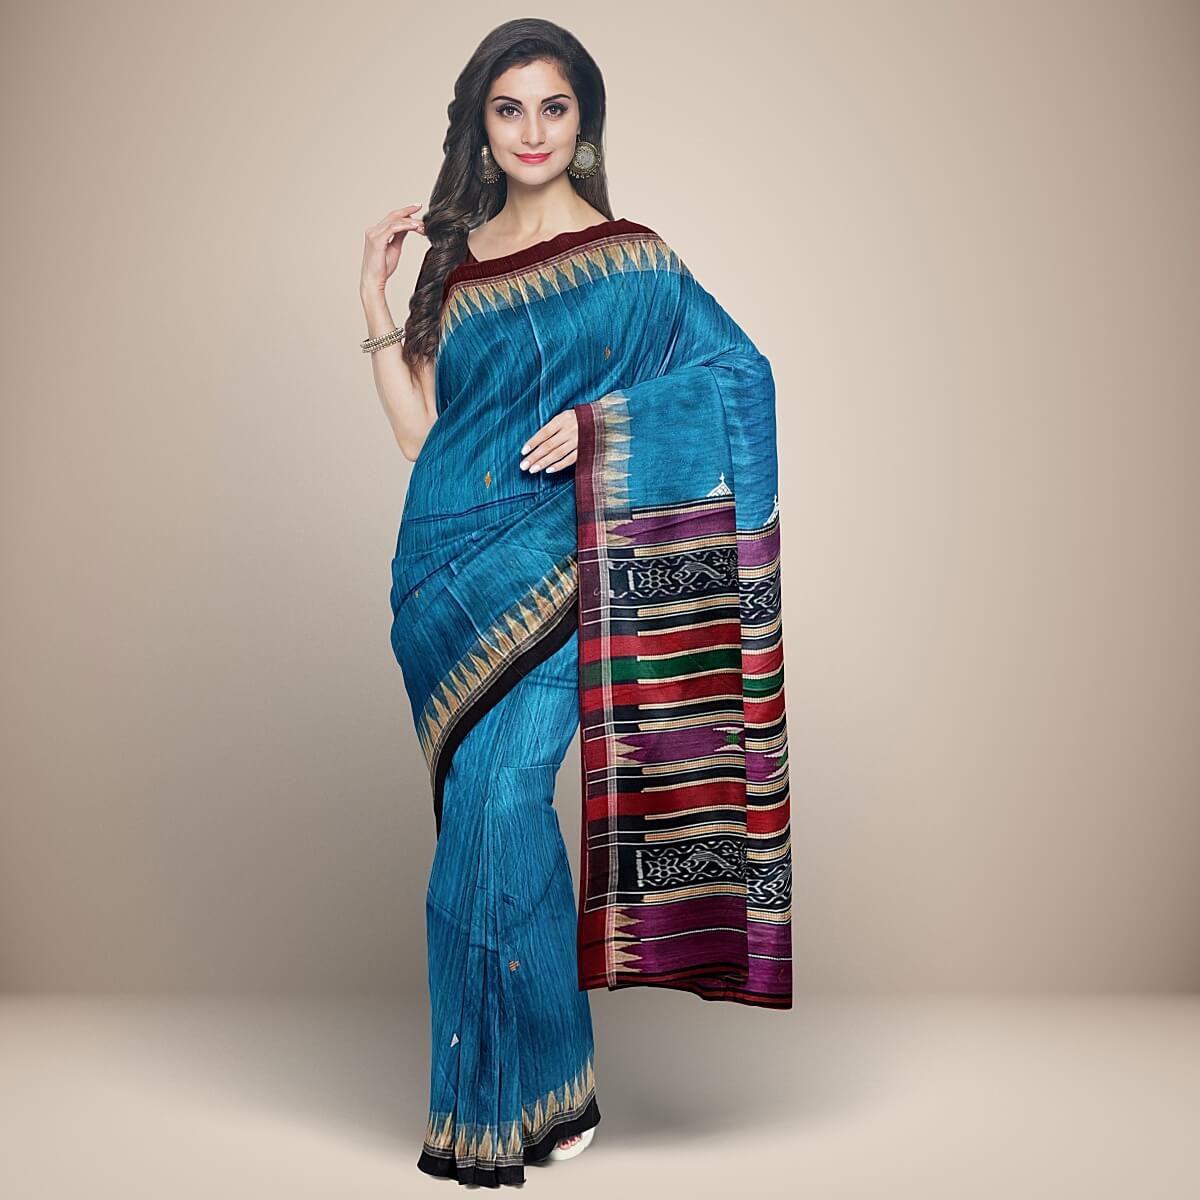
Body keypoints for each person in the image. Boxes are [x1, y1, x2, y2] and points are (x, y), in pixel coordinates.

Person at [359, 18, 793, 1189]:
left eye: (553, 107)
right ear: (481, 126)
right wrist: (372, 295)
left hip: (568, 570)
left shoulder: (636, 262)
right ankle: (554, 1082)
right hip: (448, 578)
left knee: (499, 803)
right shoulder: (456, 265)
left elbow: (739, 379)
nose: (532, 131)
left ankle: (495, 1107)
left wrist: (607, 426)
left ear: (583, 122)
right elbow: (422, 438)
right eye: (509, 109)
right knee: (490, 824)